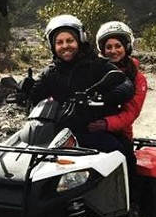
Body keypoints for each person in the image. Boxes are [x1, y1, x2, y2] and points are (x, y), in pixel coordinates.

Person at [29, 15, 135, 154]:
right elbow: (37, 93)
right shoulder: (51, 72)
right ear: (53, 46)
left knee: (119, 151)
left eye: (70, 40)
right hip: (59, 132)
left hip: (93, 131)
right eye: (59, 42)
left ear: (80, 40)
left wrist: (109, 96)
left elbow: (124, 83)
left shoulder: (97, 65)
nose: (65, 46)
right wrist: (26, 90)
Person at [92, 20, 149, 217]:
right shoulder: (94, 70)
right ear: (102, 49)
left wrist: (106, 124)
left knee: (126, 159)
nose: (113, 51)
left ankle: (132, 209)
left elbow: (131, 112)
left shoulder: (137, 78)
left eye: (118, 46)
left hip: (118, 132)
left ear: (127, 47)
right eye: (108, 47)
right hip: (90, 127)